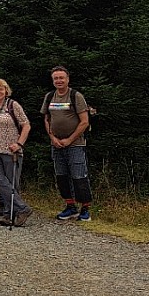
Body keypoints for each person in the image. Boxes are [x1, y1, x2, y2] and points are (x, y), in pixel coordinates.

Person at [41, 65, 94, 222]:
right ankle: (70, 207)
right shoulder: (50, 97)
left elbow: (84, 122)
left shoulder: (76, 96)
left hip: (75, 144)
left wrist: (70, 140)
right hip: (56, 144)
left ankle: (85, 209)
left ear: (67, 79)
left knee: (79, 176)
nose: (59, 80)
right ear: (52, 80)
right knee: (62, 176)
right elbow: (46, 119)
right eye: (56, 78)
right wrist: (52, 138)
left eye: (61, 78)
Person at [0, 78, 33, 226]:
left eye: (1, 89)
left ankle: (9, 215)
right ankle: (22, 208)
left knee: (12, 183)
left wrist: (19, 143)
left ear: (6, 91)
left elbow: (26, 125)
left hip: (10, 150)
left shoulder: (13, 105)